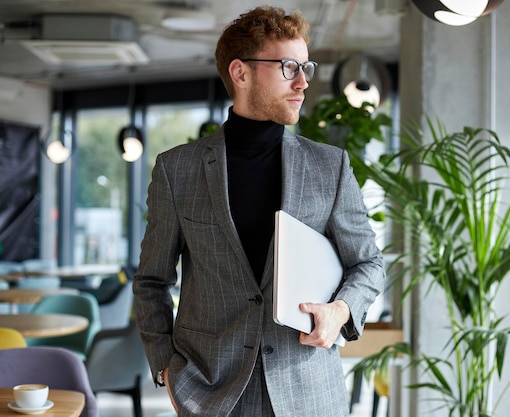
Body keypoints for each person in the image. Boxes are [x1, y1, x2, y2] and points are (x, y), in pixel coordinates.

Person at [133, 5, 385, 417]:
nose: (303, 82)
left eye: (307, 67)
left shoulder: (330, 166)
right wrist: (166, 369)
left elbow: (369, 263)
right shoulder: (177, 169)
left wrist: (340, 311)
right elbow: (151, 281)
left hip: (308, 394)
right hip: (210, 392)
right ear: (241, 72)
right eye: (289, 67)